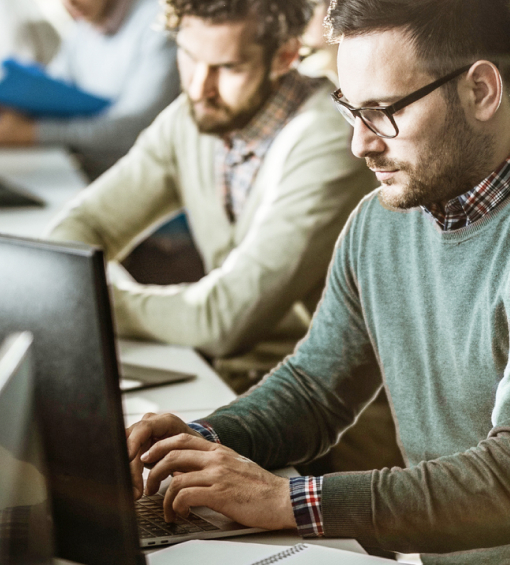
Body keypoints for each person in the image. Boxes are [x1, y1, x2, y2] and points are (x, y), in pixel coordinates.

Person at [125, 0, 510, 562]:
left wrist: (286, 501)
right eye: (350, 110)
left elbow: (502, 483)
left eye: (383, 111)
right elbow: (314, 392)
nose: (360, 143)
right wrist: (197, 443)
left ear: (480, 91)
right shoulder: (379, 222)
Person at [47, 0, 376, 389]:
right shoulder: (191, 117)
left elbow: (227, 320)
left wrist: (90, 303)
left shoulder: (330, 140)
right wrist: (72, 287)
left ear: (284, 56)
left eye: (228, 68)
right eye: (189, 57)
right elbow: (89, 222)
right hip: (235, 380)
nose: (200, 87)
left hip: (328, 414)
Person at [0, 0, 180, 180]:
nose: (69, 2)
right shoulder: (83, 25)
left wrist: (34, 133)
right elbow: (51, 91)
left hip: (139, 180)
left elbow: (133, 130)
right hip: (88, 174)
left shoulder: (159, 24)